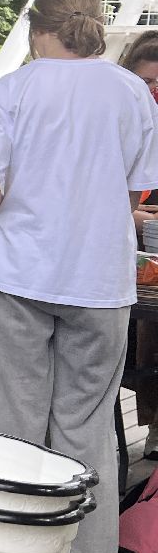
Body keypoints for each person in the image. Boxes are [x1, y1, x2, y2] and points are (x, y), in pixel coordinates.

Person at [0, 0, 158, 553]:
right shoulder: (132, 92)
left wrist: (3, 205)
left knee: (19, 419)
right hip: (101, 282)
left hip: (21, 274)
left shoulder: (14, 89)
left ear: (34, 26)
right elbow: (136, 197)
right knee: (88, 422)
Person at [119, 30, 158, 459]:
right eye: (146, 83)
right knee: (142, 336)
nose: (152, 93)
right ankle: (151, 422)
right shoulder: (120, 116)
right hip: (128, 243)